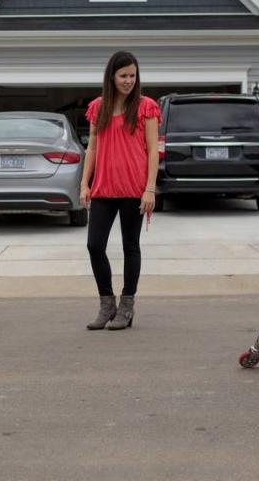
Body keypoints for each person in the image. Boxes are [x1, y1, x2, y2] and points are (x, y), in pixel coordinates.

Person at [80, 51, 160, 330]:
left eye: (132, 75)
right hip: (103, 189)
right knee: (94, 245)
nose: (128, 81)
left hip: (133, 190)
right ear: (111, 77)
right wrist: (84, 183)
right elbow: (93, 147)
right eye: (123, 75)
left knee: (130, 246)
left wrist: (149, 189)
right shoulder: (98, 107)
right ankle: (107, 305)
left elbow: (152, 152)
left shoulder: (145, 106)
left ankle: (126, 307)